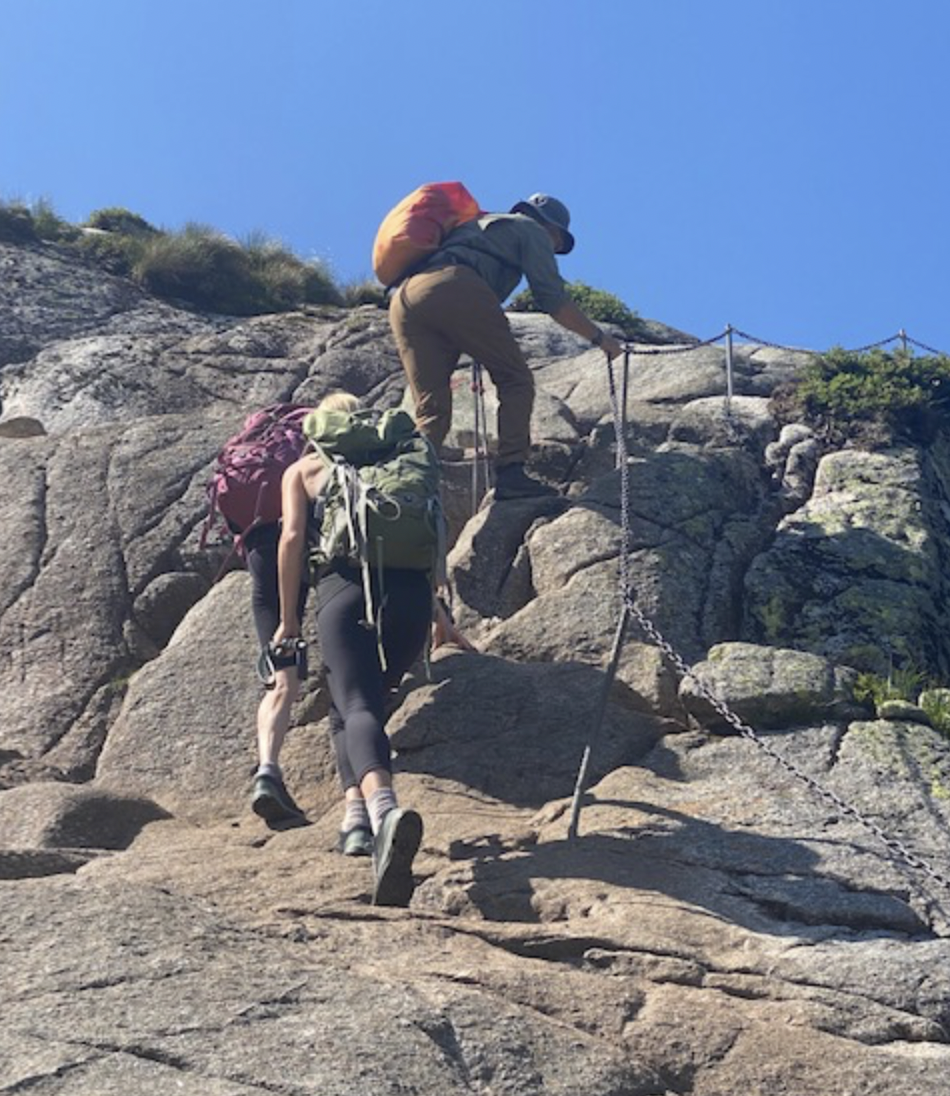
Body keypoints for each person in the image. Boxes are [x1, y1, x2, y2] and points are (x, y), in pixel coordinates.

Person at [273, 391, 465, 905]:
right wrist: (438, 613)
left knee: (355, 704)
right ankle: (353, 818)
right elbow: (428, 531)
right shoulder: (404, 456)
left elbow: (292, 539)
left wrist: (288, 619)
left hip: (344, 586)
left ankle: (382, 812)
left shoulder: (306, 468)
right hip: (411, 593)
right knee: (356, 702)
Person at [388, 192, 624, 499]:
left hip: (405, 299)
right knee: (516, 380)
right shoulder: (532, 230)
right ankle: (512, 473)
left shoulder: (478, 227)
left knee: (432, 409)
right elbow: (552, 298)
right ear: (551, 229)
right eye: (558, 243)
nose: (554, 249)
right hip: (454, 287)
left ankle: (400, 485)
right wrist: (600, 338)